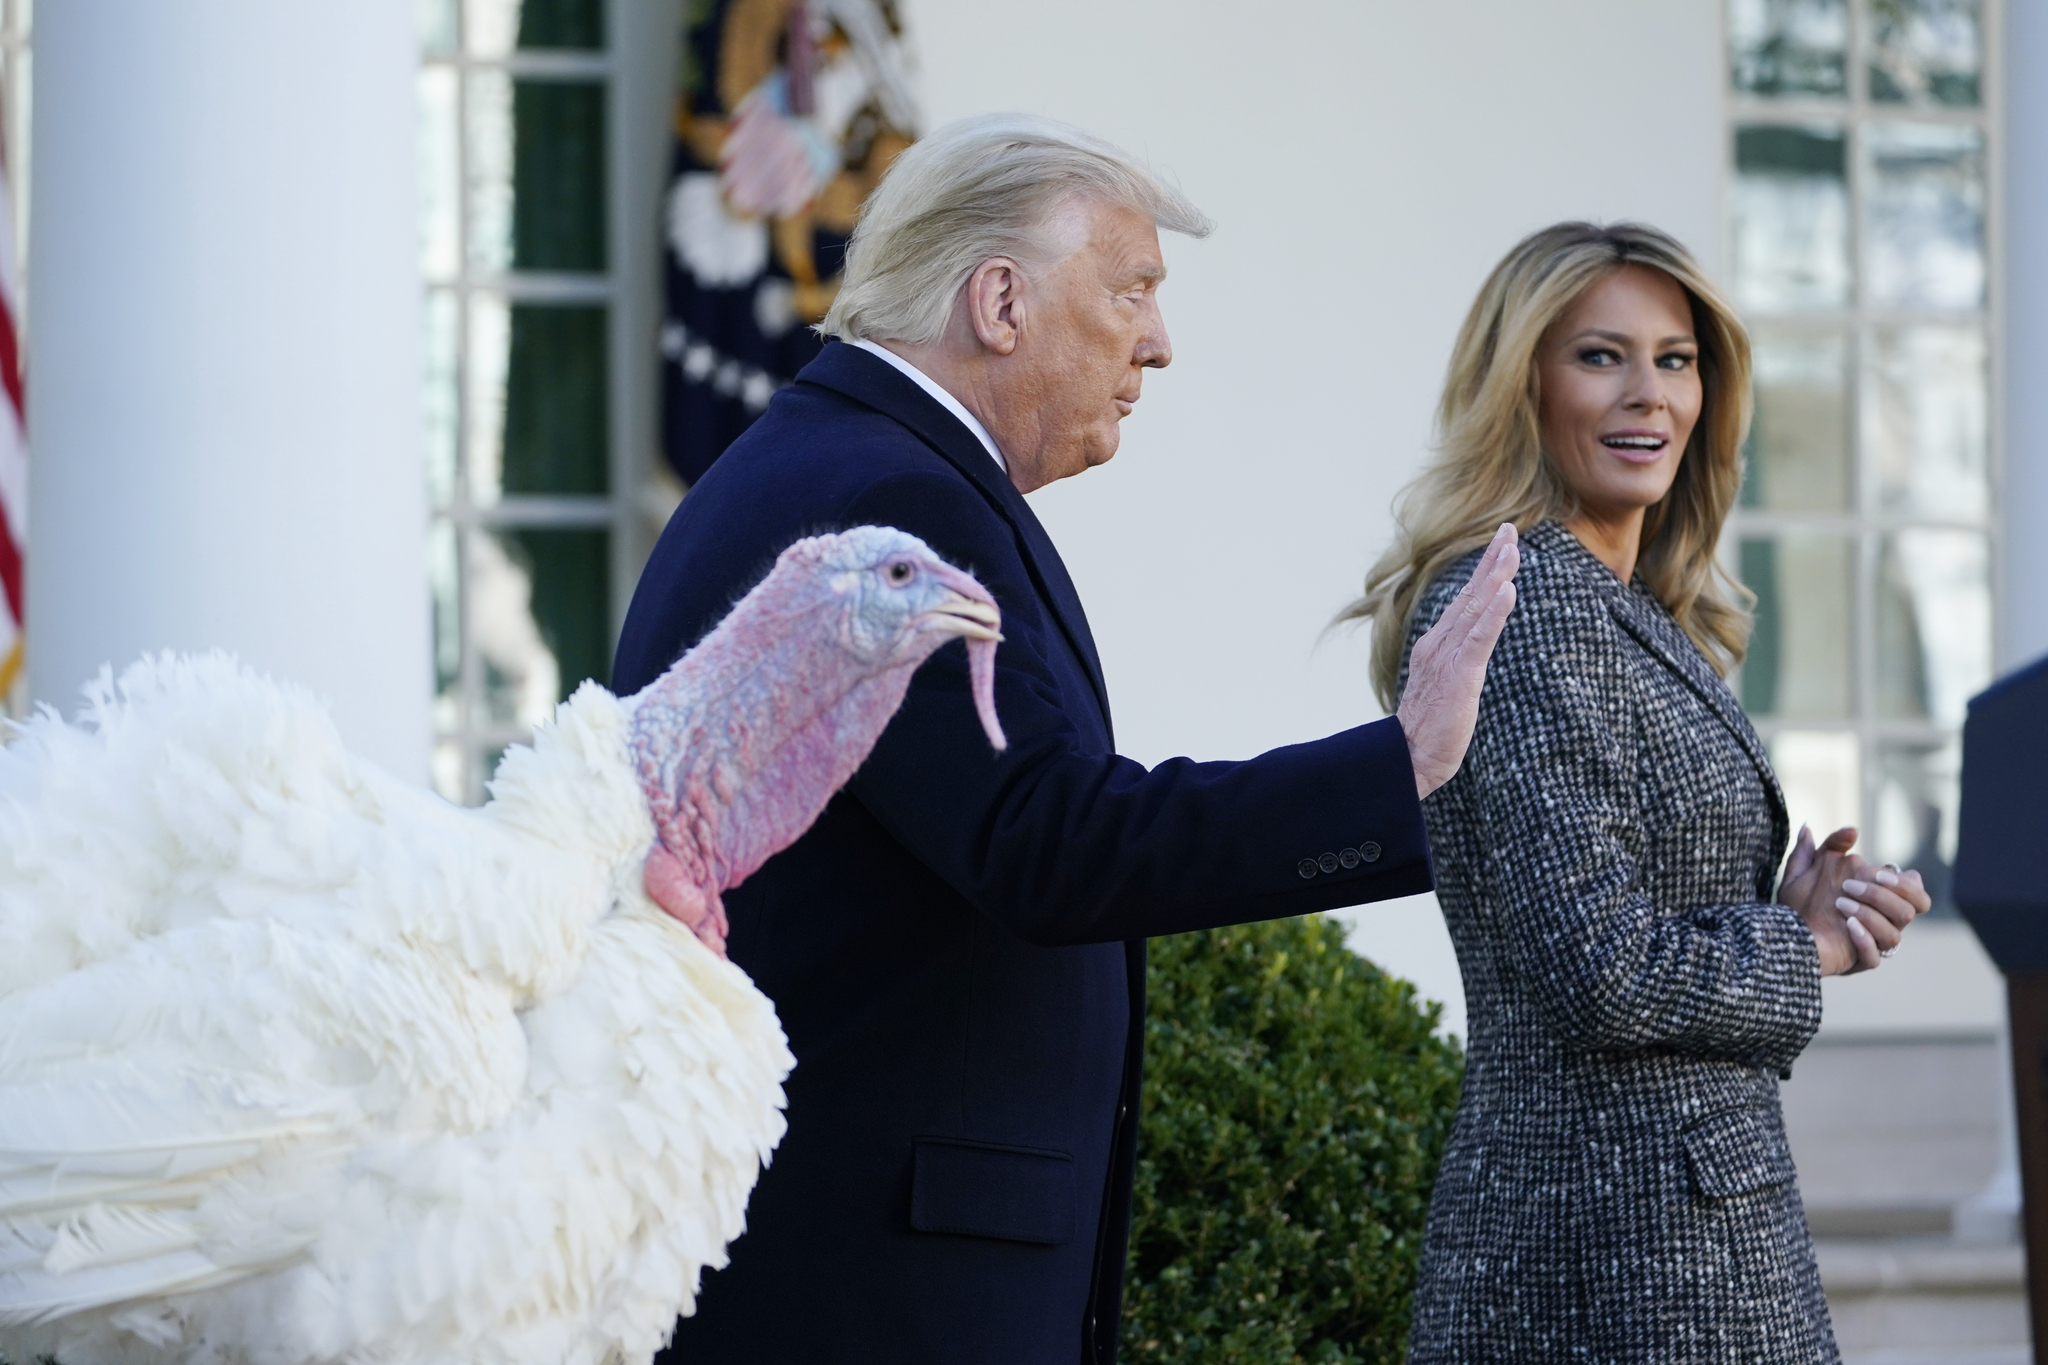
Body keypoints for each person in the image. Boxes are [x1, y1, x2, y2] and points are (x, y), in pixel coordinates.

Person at [612, 112, 1520, 1365]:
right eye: (1133, 289)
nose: (1158, 343)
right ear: (999, 301)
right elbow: (1044, 842)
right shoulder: (892, 498)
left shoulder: (841, 463)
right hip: (877, 1287)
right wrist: (1401, 764)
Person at [1352, 222, 1932, 1363]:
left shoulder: (1617, 605)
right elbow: (1598, 972)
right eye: (1599, 356)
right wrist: (1797, 946)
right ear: (1520, 383)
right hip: (1614, 1245)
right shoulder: (1529, 604)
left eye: (1674, 360)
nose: (1647, 396)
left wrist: (1793, 901)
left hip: (1658, 1226)